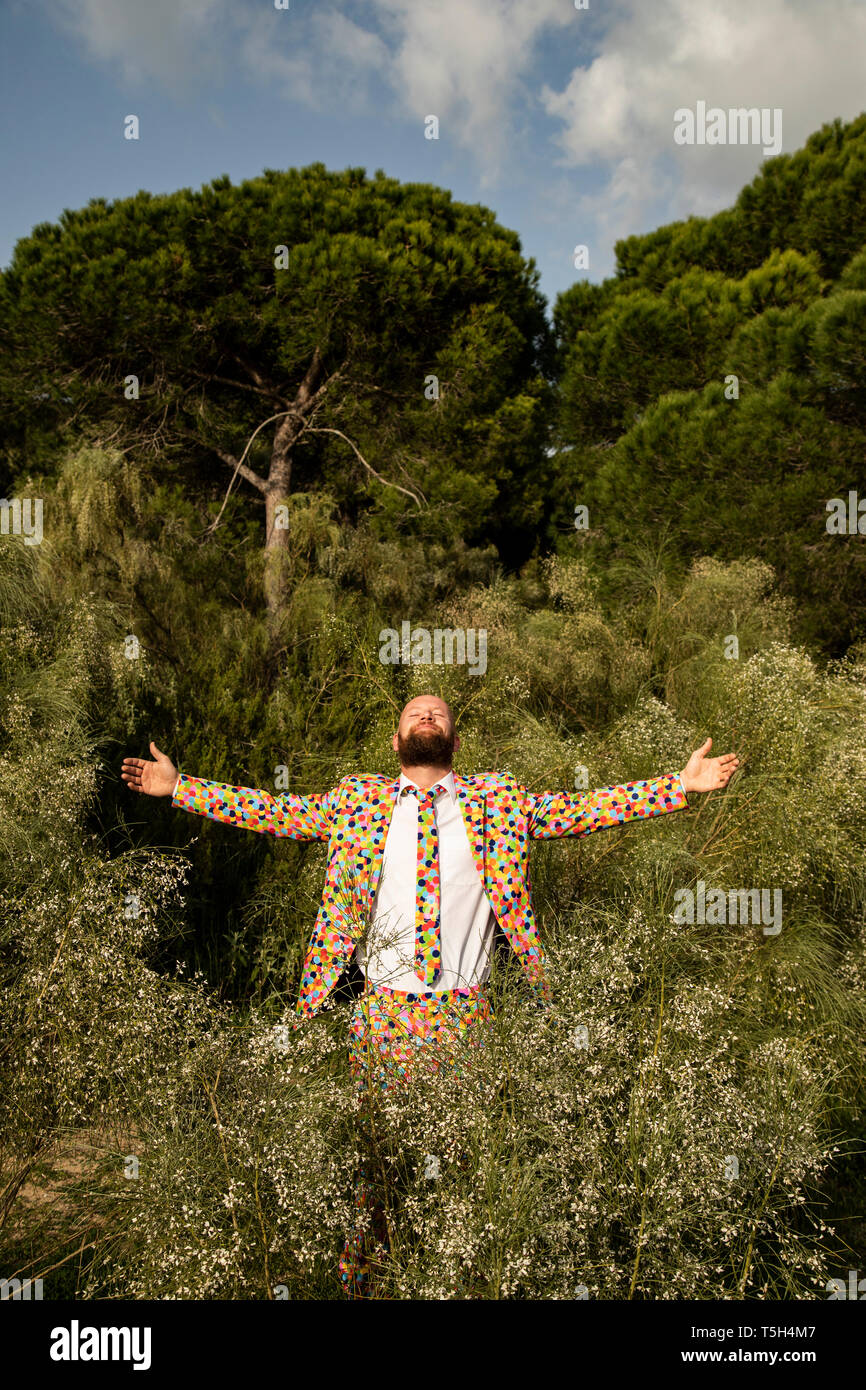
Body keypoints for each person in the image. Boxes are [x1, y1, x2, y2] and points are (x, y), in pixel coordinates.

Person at [121, 695, 739, 1296]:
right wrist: (181, 789)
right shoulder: (355, 801)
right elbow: (272, 810)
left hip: (464, 1015)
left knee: (465, 1171)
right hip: (380, 1011)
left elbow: (584, 807)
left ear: (454, 741)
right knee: (374, 1170)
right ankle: (363, 1290)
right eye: (416, 711)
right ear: (396, 741)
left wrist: (677, 787)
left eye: (439, 712)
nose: (427, 715)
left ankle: (456, 1284)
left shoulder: (499, 802)